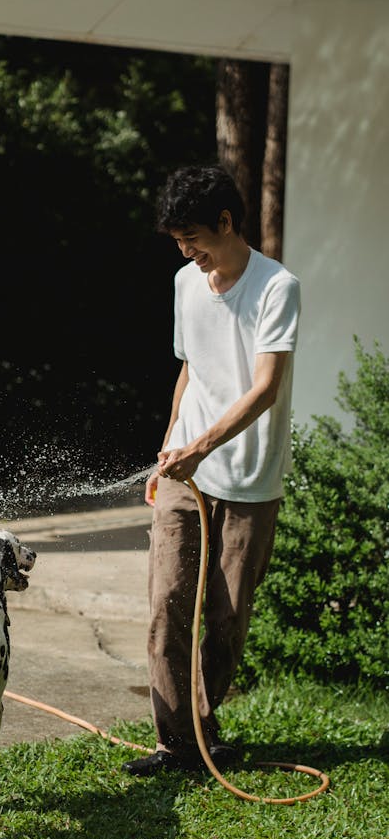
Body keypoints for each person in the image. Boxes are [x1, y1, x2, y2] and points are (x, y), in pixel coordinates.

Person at [124, 165, 300, 776]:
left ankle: (201, 727)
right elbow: (191, 371)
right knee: (166, 601)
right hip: (184, 468)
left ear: (226, 222)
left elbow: (266, 388)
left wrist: (202, 445)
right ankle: (176, 744)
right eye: (177, 242)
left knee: (225, 620)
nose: (186, 252)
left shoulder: (277, 287)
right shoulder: (185, 282)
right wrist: (170, 445)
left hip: (249, 477)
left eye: (193, 237)